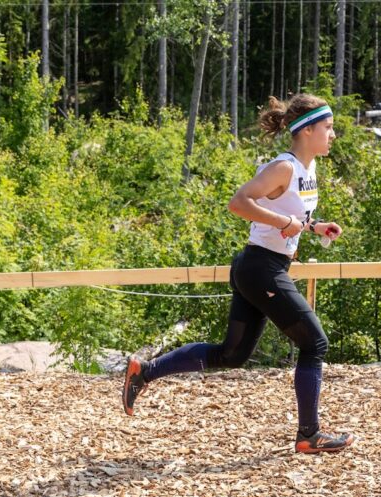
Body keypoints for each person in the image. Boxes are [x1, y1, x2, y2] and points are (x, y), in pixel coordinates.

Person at [122, 94, 355, 455]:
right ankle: (309, 435)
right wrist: (285, 222)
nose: (333, 134)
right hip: (261, 269)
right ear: (307, 130)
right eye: (329, 127)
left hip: (260, 268)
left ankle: (145, 371)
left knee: (231, 355)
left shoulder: (307, 171)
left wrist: (315, 227)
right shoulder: (285, 167)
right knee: (315, 344)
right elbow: (239, 202)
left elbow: (291, 215)